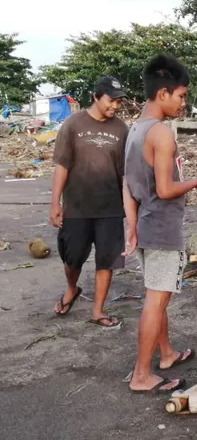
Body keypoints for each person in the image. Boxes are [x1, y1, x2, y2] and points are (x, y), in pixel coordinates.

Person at [123, 54, 197, 393]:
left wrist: (131, 226)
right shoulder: (161, 133)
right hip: (162, 228)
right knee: (157, 300)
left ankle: (166, 354)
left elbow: (127, 184)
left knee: (157, 296)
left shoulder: (135, 130)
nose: (183, 103)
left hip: (146, 226)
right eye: (181, 95)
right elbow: (164, 190)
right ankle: (141, 375)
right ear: (162, 94)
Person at [49, 76, 129, 328]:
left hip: (111, 207)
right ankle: (72, 288)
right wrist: (55, 203)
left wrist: (130, 206)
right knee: (72, 257)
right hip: (77, 206)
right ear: (95, 96)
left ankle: (98, 310)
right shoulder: (73, 124)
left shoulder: (121, 129)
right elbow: (62, 165)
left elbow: (125, 172)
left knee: (107, 260)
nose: (115, 106)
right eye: (111, 100)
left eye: (118, 102)